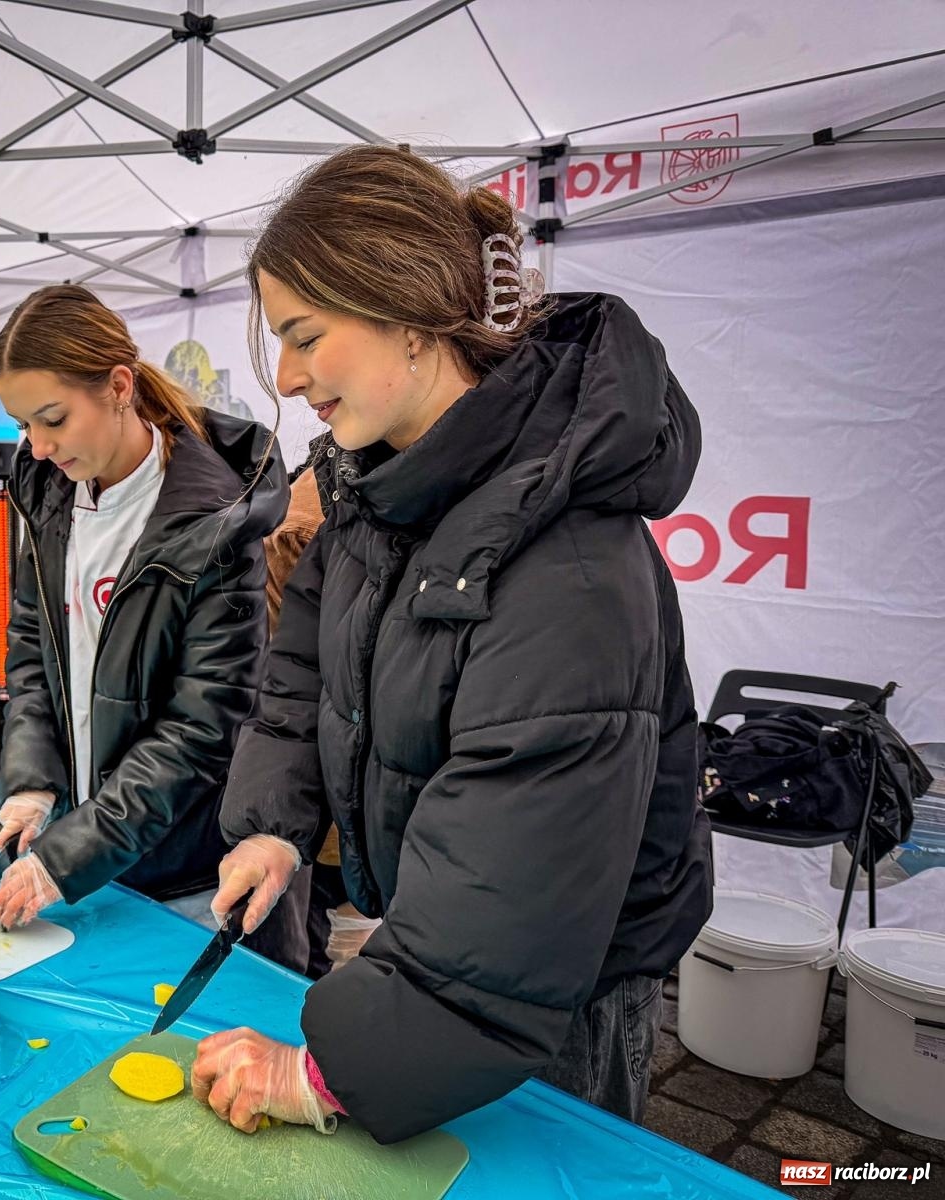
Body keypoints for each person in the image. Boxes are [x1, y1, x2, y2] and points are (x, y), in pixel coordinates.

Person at [192, 146, 711, 1141]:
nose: (289, 377)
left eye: (303, 336)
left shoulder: (567, 556)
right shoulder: (377, 482)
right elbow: (305, 667)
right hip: (445, 956)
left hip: (553, 990)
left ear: (412, 319)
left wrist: (328, 1077)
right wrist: (271, 820)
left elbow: (517, 873)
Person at [0, 285, 288, 931]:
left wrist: (66, 857)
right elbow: (34, 644)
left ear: (119, 386)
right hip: (78, 850)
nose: (35, 446)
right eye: (23, 424)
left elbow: (202, 725)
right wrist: (33, 777)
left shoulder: (215, 521)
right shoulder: (45, 490)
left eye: (53, 419)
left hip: (182, 864)